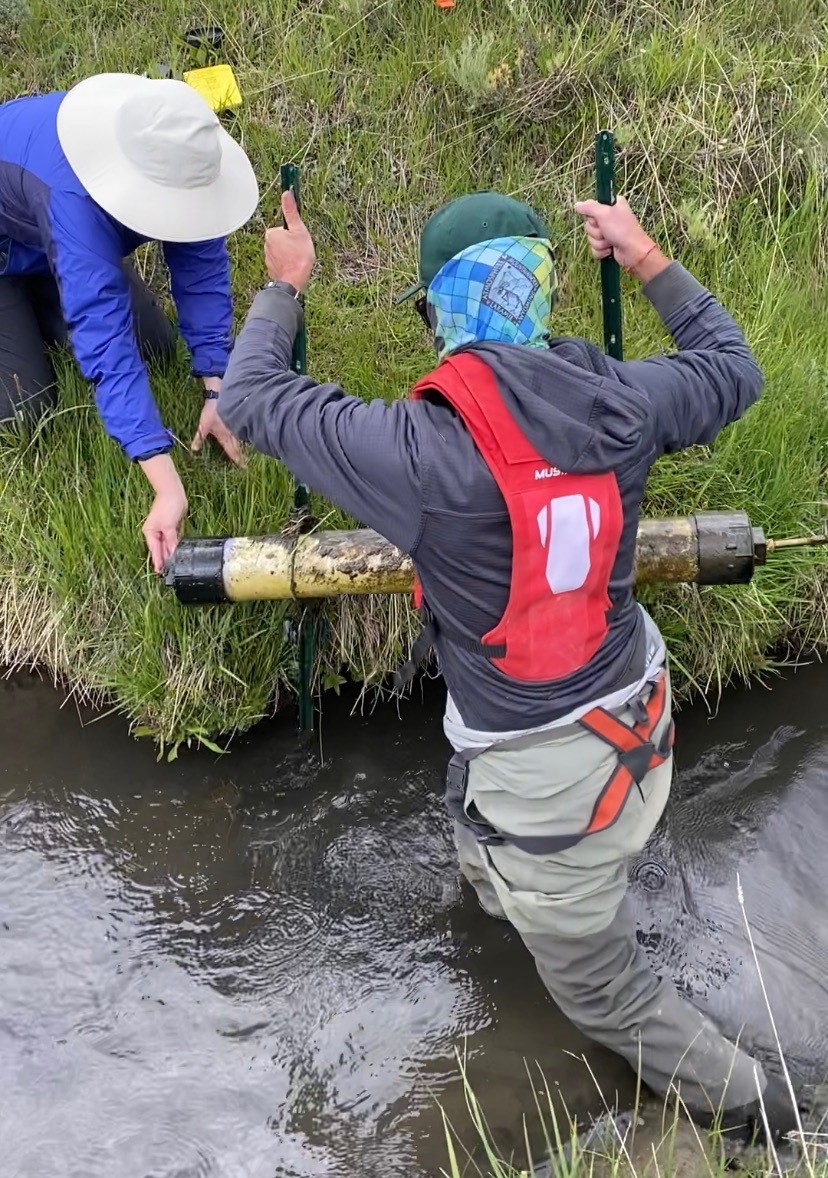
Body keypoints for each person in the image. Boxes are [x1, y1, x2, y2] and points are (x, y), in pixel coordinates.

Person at [216, 187, 803, 1146]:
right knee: (483, 830)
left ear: (435, 312)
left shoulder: (418, 452)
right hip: (636, 723)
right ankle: (504, 898)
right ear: (541, 291)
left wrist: (287, 288)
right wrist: (646, 254)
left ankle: (776, 1117)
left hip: (548, 776)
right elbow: (733, 369)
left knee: (607, 994)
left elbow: (250, 398)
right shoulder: (626, 399)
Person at [0, 72, 259, 572]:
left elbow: (201, 264)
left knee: (156, 348)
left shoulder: (176, 151)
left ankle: (53, 292)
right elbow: (106, 343)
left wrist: (216, 386)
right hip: (9, 250)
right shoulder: (74, 195)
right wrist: (164, 481)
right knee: (23, 412)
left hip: (48, 240)